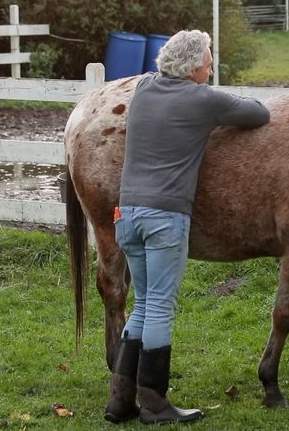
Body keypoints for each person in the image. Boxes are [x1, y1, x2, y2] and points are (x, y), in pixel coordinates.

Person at [104, 30, 270, 425]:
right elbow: (259, 113)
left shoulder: (143, 89)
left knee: (142, 304)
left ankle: (121, 400)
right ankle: (156, 404)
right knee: (160, 305)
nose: (211, 68)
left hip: (127, 215)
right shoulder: (203, 99)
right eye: (209, 62)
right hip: (165, 217)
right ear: (194, 66)